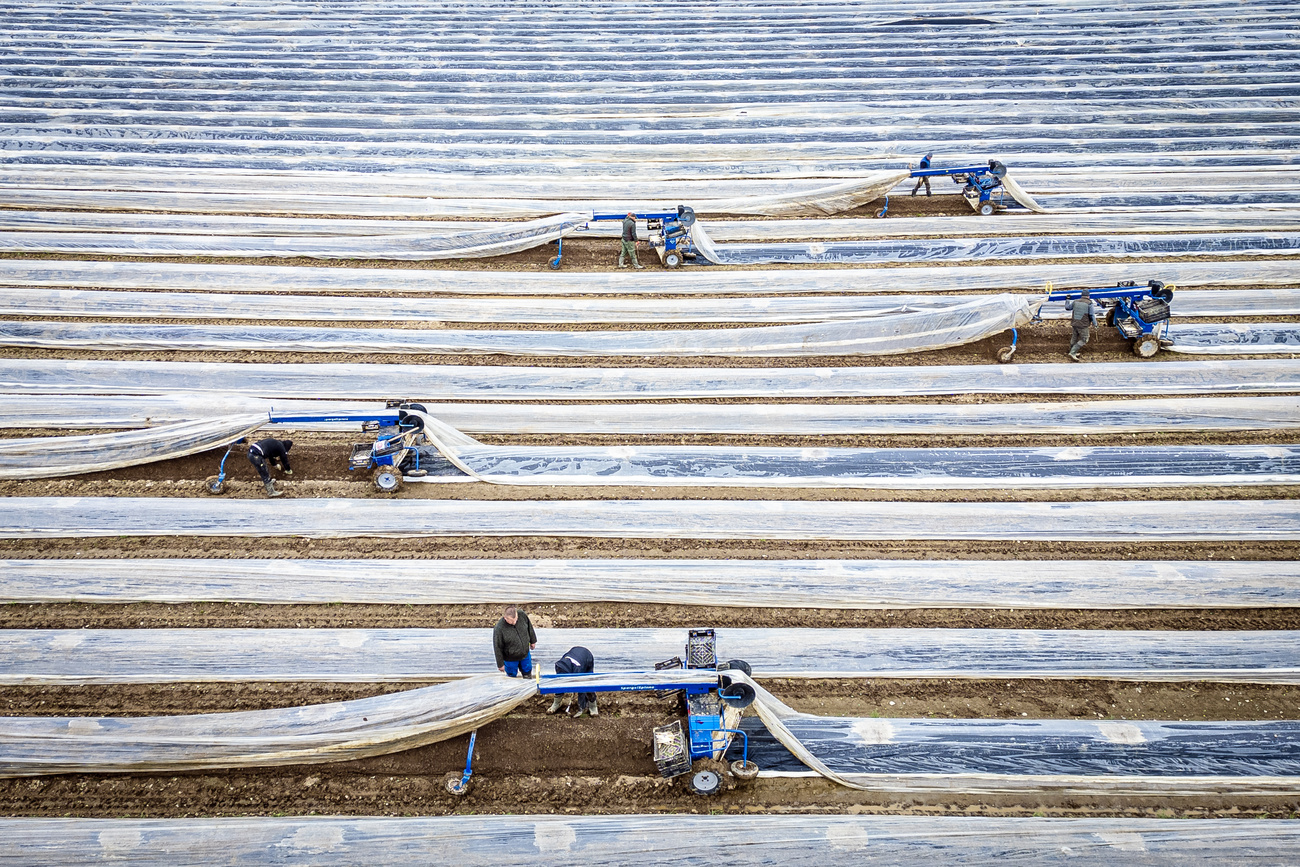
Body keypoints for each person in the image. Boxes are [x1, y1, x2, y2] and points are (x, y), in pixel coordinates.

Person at [547, 645, 598, 717]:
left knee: (587, 683)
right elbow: (559, 682)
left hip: (586, 657)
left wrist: (581, 707)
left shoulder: (578, 670)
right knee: (560, 683)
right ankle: (557, 703)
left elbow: (581, 688)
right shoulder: (560, 665)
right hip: (575, 654)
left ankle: (592, 706)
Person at [493, 605, 537, 677]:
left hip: (525, 653)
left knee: (527, 670)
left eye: (516, 619)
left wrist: (533, 641)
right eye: (511, 621)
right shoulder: (499, 628)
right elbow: (497, 646)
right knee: (511, 675)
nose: (514, 622)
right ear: (505, 618)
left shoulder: (522, 615)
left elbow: (529, 627)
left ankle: (527, 678)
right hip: (510, 658)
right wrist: (500, 664)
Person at [1067, 290, 1099, 361]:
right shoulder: (1089, 303)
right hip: (1083, 324)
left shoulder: (1075, 301)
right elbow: (1091, 315)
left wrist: (1067, 299)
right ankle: (1072, 353)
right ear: (1088, 296)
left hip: (1074, 323)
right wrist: (1095, 324)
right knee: (1085, 339)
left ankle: (1072, 351)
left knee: (1074, 338)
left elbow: (1067, 307)